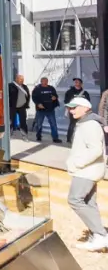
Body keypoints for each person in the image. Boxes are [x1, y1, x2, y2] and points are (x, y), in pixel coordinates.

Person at [63, 96, 108, 251]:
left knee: (74, 200)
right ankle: (97, 236)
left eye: (74, 107)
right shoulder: (84, 123)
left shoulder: (90, 125)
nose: (71, 110)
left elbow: (95, 149)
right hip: (88, 170)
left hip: (86, 171)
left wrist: (77, 163)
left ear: (86, 108)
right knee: (89, 202)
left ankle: (101, 235)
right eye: (70, 107)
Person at [31, 77, 61, 143]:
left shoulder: (51, 88)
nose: (45, 82)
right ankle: (38, 136)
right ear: (41, 81)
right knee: (39, 124)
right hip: (41, 110)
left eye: (46, 81)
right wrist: (38, 104)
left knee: (53, 124)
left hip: (50, 109)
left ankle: (55, 138)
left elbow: (55, 95)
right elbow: (34, 97)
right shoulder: (37, 88)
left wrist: (54, 97)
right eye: (44, 81)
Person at [64, 78, 91, 144]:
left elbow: (88, 102)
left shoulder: (85, 93)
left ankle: (82, 139)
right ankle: (69, 139)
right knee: (72, 125)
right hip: (73, 111)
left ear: (81, 84)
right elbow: (66, 101)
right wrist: (70, 108)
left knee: (83, 124)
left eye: (77, 82)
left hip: (82, 112)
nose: (76, 83)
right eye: (75, 82)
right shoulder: (69, 92)